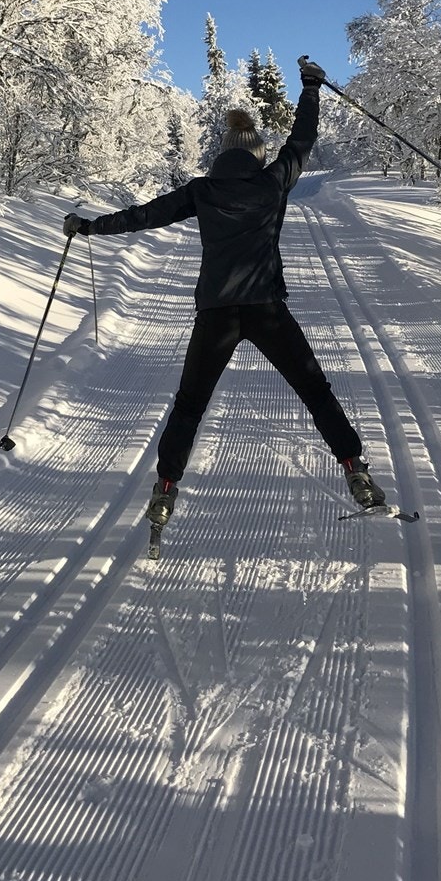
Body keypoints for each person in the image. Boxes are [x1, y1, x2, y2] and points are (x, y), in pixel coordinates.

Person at [63, 57, 385, 553]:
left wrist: (89, 226)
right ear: (256, 155)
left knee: (189, 405)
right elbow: (302, 141)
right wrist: (310, 89)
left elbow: (144, 216)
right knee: (315, 390)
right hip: (267, 309)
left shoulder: (202, 191)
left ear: (222, 156)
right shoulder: (273, 182)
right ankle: (355, 469)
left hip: (216, 314)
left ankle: (166, 490)